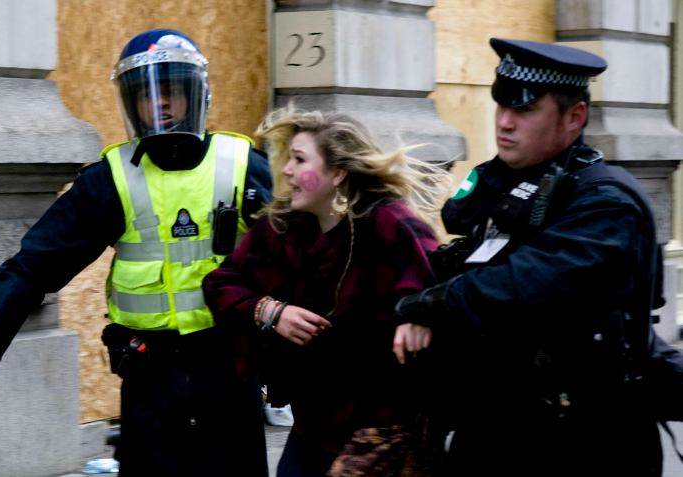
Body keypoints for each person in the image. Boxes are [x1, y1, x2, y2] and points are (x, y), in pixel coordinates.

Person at [0, 29, 272, 477]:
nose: (160, 104)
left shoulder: (242, 165)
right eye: (146, 96)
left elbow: (312, 252)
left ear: (196, 94)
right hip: (151, 379)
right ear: (131, 104)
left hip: (228, 373)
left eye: (172, 90)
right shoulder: (111, 180)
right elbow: (32, 268)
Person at [395, 38, 664, 476]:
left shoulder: (607, 204)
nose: (504, 122)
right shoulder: (513, 184)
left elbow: (524, 282)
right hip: (498, 429)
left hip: (581, 441)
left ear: (574, 117)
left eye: (524, 110)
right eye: (501, 107)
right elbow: (468, 260)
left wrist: (430, 305)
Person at [202, 108, 451, 477]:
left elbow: (442, 290)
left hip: (383, 428)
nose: (286, 170)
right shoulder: (284, 226)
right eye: (288, 158)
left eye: (299, 159)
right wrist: (271, 312)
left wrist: (418, 314)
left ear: (337, 173)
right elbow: (220, 282)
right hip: (314, 422)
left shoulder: (390, 224)